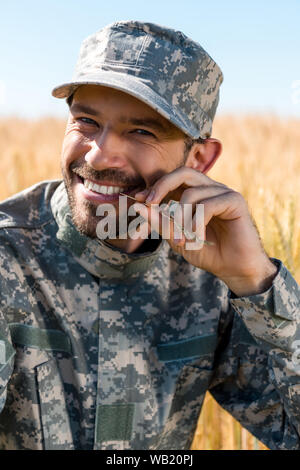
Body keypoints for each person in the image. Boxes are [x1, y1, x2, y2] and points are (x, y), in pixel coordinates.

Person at [0, 20, 299, 451]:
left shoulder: (213, 279)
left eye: (141, 131)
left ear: (198, 158)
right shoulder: (9, 259)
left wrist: (258, 282)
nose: (100, 154)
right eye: (86, 121)